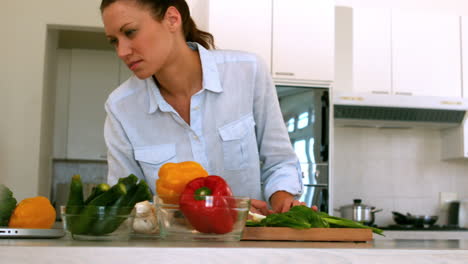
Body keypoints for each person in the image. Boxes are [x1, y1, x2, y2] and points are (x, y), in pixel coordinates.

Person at [100, 0, 307, 214]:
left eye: (131, 32)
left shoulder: (247, 72)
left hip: (249, 243)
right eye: (114, 41)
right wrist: (206, 212)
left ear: (172, 19)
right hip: (171, 245)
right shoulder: (121, 107)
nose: (122, 51)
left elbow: (279, 162)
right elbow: (128, 202)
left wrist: (282, 199)